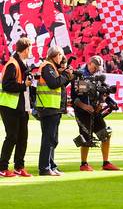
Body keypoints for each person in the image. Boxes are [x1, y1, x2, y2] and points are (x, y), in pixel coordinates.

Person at [74, 56, 119, 172]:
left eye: (98, 68)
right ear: (89, 63)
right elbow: (76, 99)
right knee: (85, 136)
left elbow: (103, 91)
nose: (96, 70)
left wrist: (103, 102)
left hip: (95, 111)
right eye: (95, 67)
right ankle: (83, 164)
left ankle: (106, 162)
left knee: (105, 134)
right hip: (82, 112)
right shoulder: (81, 75)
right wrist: (85, 106)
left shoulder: (98, 76)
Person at [33, 45, 71, 176]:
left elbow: (58, 85)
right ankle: (44, 167)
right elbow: (54, 83)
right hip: (48, 107)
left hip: (53, 107)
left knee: (52, 139)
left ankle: (51, 165)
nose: (61, 59)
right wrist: (66, 74)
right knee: (48, 139)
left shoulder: (51, 67)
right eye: (60, 55)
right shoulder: (47, 67)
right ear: (56, 55)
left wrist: (66, 77)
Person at [0, 37, 33, 177]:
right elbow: (7, 85)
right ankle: (2, 168)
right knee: (12, 137)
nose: (31, 51)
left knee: (22, 138)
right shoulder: (13, 64)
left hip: (20, 106)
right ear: (25, 50)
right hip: (9, 106)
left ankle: (19, 167)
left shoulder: (21, 64)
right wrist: (24, 85)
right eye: (30, 49)